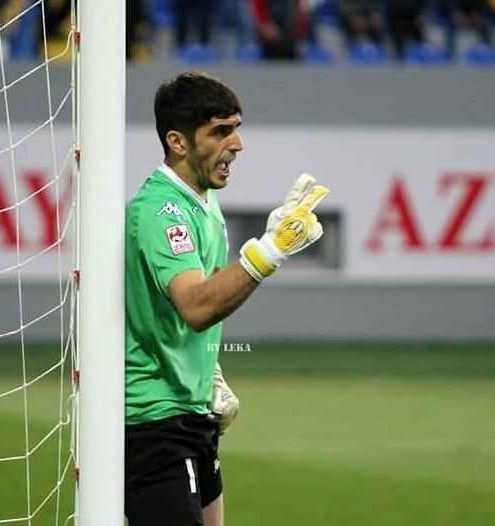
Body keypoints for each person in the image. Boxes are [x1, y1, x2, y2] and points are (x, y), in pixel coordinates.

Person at [124, 71, 329, 526]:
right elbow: (196, 306)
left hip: (191, 410)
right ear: (178, 142)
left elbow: (202, 297)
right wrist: (269, 251)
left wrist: (209, 374)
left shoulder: (203, 201)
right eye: (220, 132)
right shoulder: (160, 211)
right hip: (152, 420)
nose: (237, 144)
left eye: (236, 128)